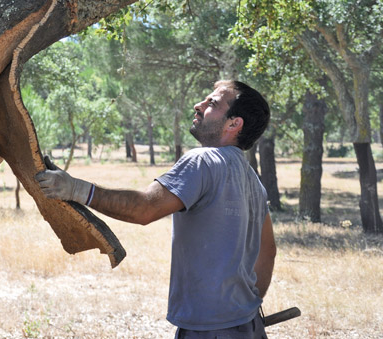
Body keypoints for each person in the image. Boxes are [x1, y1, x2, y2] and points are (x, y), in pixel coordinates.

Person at [36, 80, 276, 338]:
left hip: (208, 329)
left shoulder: (202, 161)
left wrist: (77, 190)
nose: (199, 105)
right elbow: (268, 251)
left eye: (212, 104)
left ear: (233, 123)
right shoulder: (252, 179)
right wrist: (247, 304)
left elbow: (145, 209)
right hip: (248, 324)